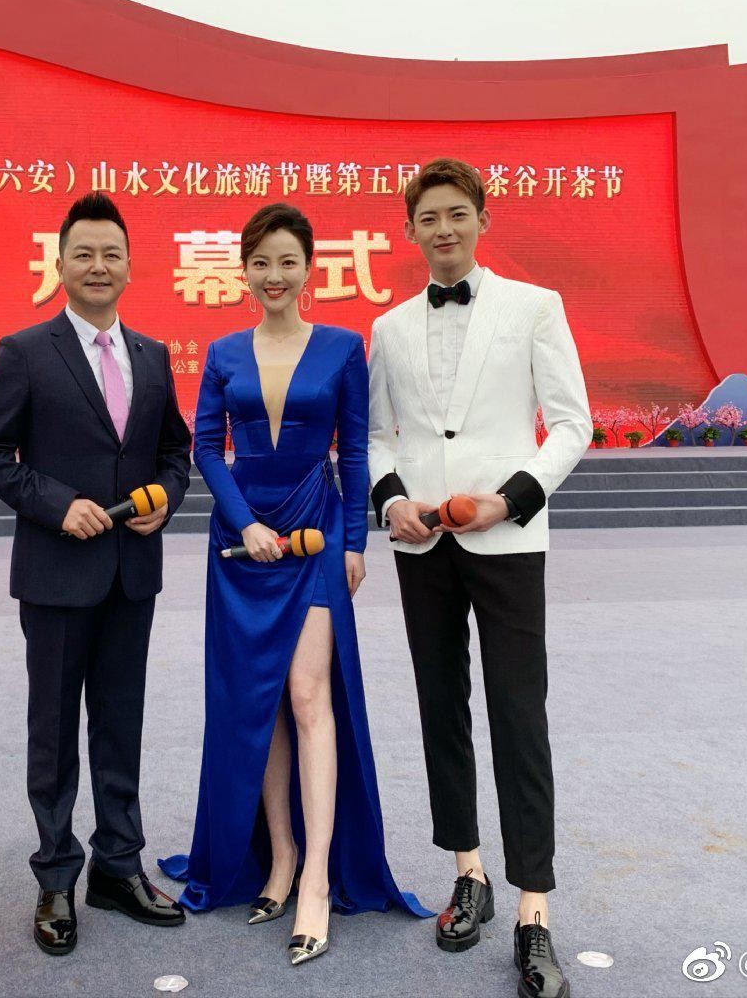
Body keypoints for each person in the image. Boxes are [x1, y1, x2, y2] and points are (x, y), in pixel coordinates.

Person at [159, 204, 430, 967]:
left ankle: (314, 878)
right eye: (260, 263)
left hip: (316, 530)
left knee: (308, 694)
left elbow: (354, 451)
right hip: (242, 543)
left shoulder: (343, 348)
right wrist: (243, 522)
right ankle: (278, 855)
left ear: (309, 267)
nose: (273, 276)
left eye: (286, 261)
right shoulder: (222, 352)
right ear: (242, 272)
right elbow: (206, 447)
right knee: (262, 699)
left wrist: (354, 542)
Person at [367, 158, 590, 998]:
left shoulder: (534, 306)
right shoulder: (388, 327)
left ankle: (534, 907)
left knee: (518, 715)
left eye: (456, 213)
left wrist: (511, 499)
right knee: (440, 709)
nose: (443, 229)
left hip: (507, 538)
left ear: (481, 219)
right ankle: (468, 872)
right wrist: (391, 500)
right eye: (427, 217)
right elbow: (376, 436)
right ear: (409, 230)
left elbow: (569, 423)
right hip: (422, 541)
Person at [0, 192, 193, 956]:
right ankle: (57, 876)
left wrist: (165, 499)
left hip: (132, 573)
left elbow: (174, 453)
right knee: (54, 731)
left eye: (111, 254)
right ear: (59, 264)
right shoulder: (25, 351)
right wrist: (57, 505)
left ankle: (118, 867)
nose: (98, 266)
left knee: (120, 726)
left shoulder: (151, 356)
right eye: (84, 254)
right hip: (56, 574)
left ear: (129, 266)